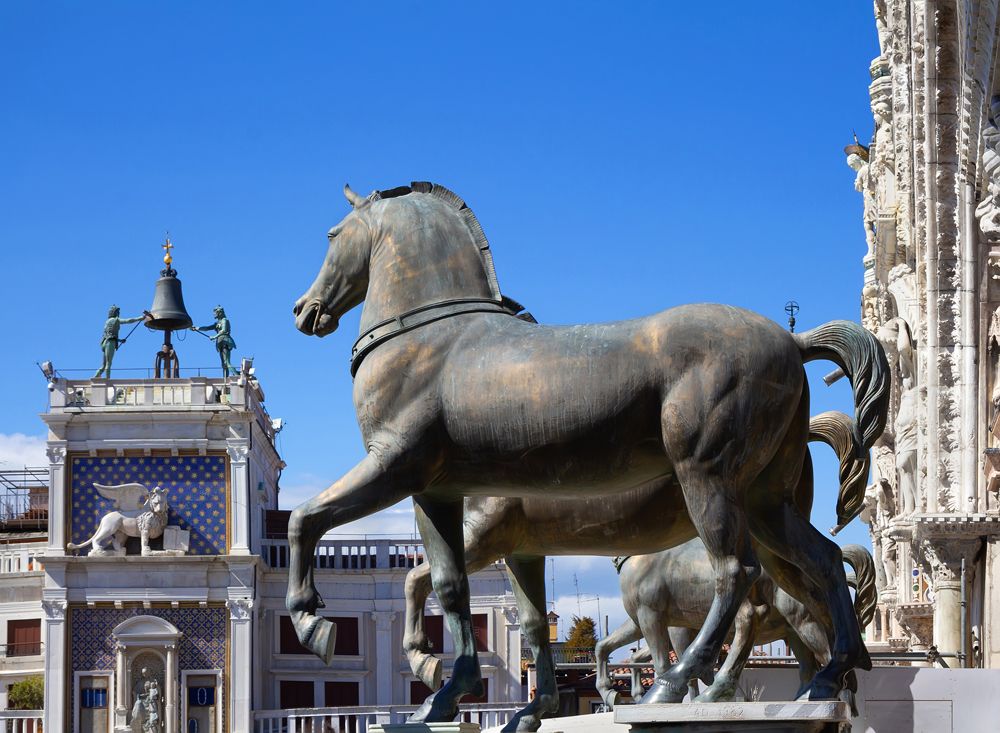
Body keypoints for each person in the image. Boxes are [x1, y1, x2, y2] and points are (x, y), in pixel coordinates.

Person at [94, 305, 149, 378]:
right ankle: (107, 381)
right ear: (115, 312)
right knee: (109, 363)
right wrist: (140, 318)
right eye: (118, 312)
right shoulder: (116, 320)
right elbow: (128, 320)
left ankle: (95, 377)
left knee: (104, 365)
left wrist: (120, 340)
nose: (119, 313)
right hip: (110, 342)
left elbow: (108, 334)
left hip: (105, 342)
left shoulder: (107, 322)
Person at [193, 306, 237, 377]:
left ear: (219, 313)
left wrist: (214, 336)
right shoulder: (217, 323)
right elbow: (207, 328)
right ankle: (225, 379)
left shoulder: (224, 320)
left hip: (225, 341)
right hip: (220, 342)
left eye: (215, 312)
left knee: (227, 362)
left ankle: (237, 375)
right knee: (223, 364)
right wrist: (197, 328)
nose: (214, 314)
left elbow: (224, 330)